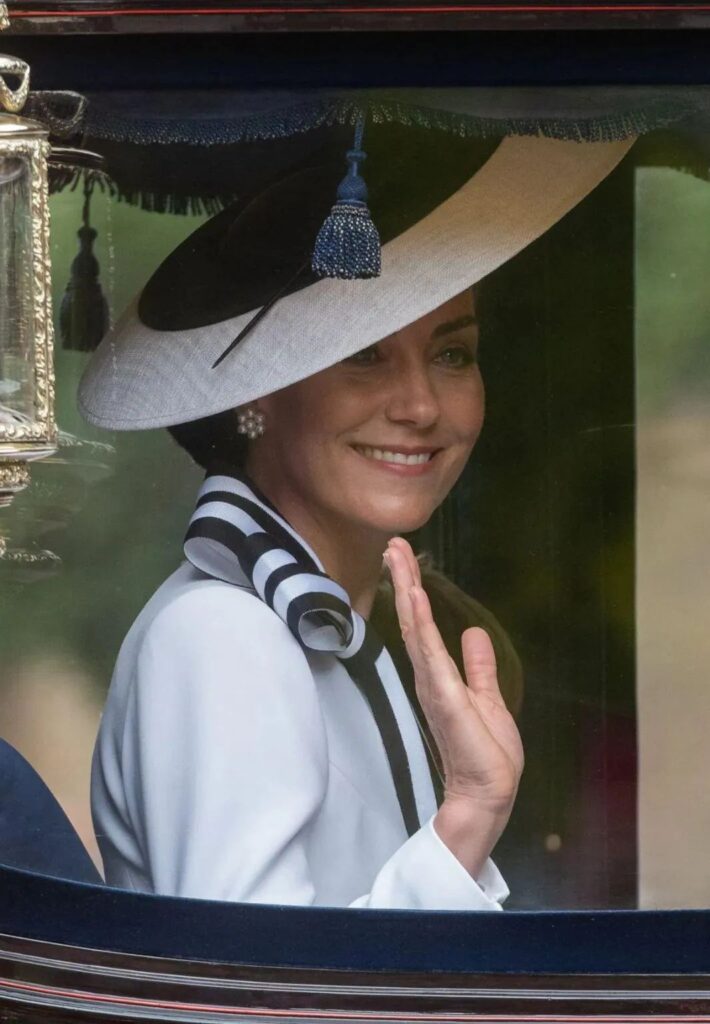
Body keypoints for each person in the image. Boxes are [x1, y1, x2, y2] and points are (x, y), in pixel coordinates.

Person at [79, 106, 633, 908]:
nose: (420, 405)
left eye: (452, 353)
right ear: (256, 400)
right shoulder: (225, 636)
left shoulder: (343, 635)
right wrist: (470, 815)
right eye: (362, 357)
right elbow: (263, 997)